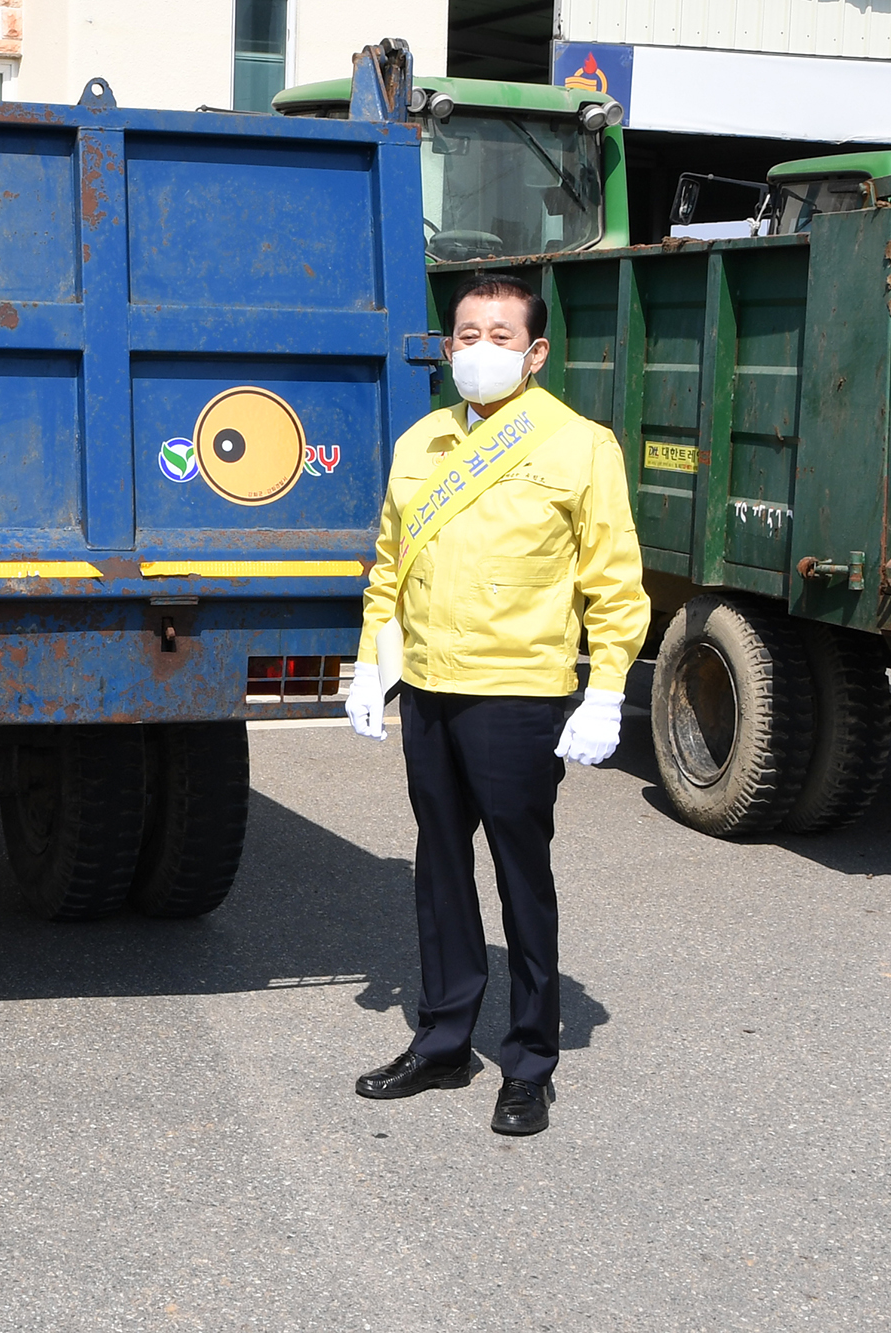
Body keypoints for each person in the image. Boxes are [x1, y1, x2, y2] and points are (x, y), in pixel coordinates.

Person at [344, 272, 649, 1136]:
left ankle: (528, 1062)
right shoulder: (422, 441)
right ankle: (443, 1042)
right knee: (439, 868)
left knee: (522, 878)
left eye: (500, 335)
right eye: (467, 335)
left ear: (536, 352)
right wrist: (369, 663)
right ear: (448, 347)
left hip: (517, 696)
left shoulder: (579, 446)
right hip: (430, 690)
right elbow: (389, 566)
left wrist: (607, 688)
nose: (480, 349)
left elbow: (614, 582)